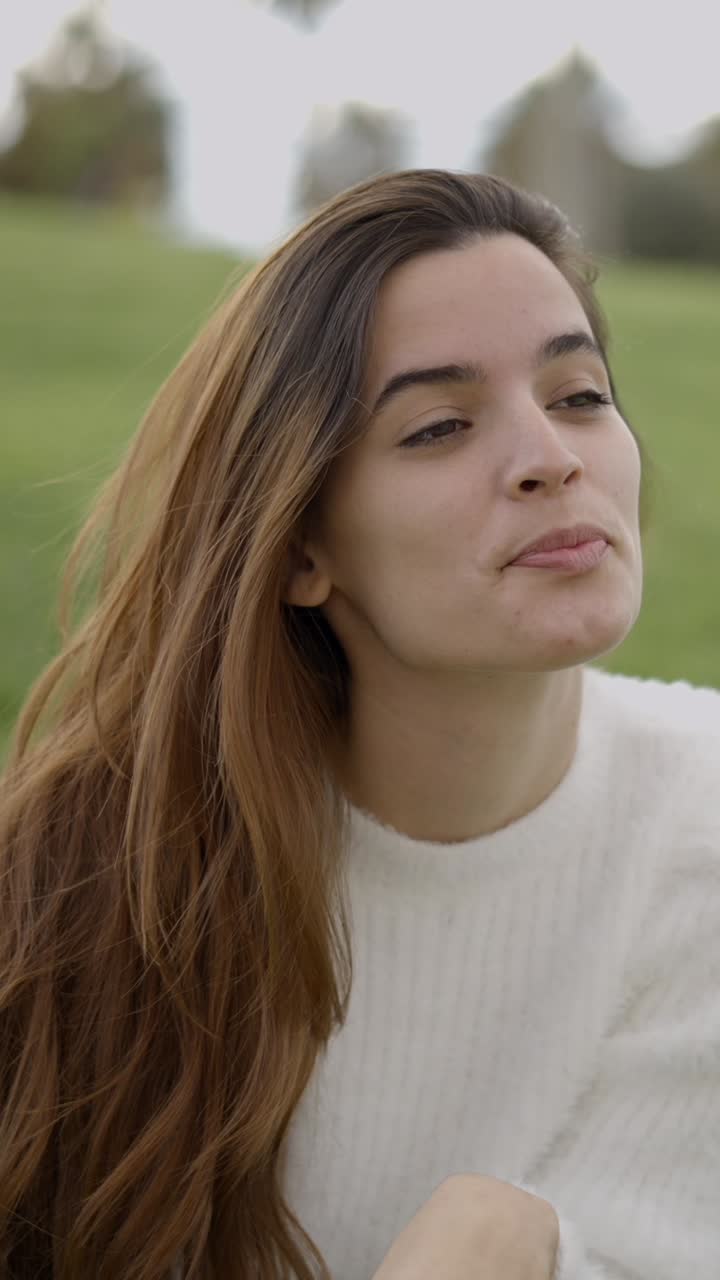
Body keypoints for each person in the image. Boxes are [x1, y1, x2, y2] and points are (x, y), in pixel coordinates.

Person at [0, 168, 717, 1280]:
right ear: (299, 547)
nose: (552, 456)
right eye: (439, 426)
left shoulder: (702, 821)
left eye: (578, 393)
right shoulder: (90, 872)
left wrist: (511, 1238)